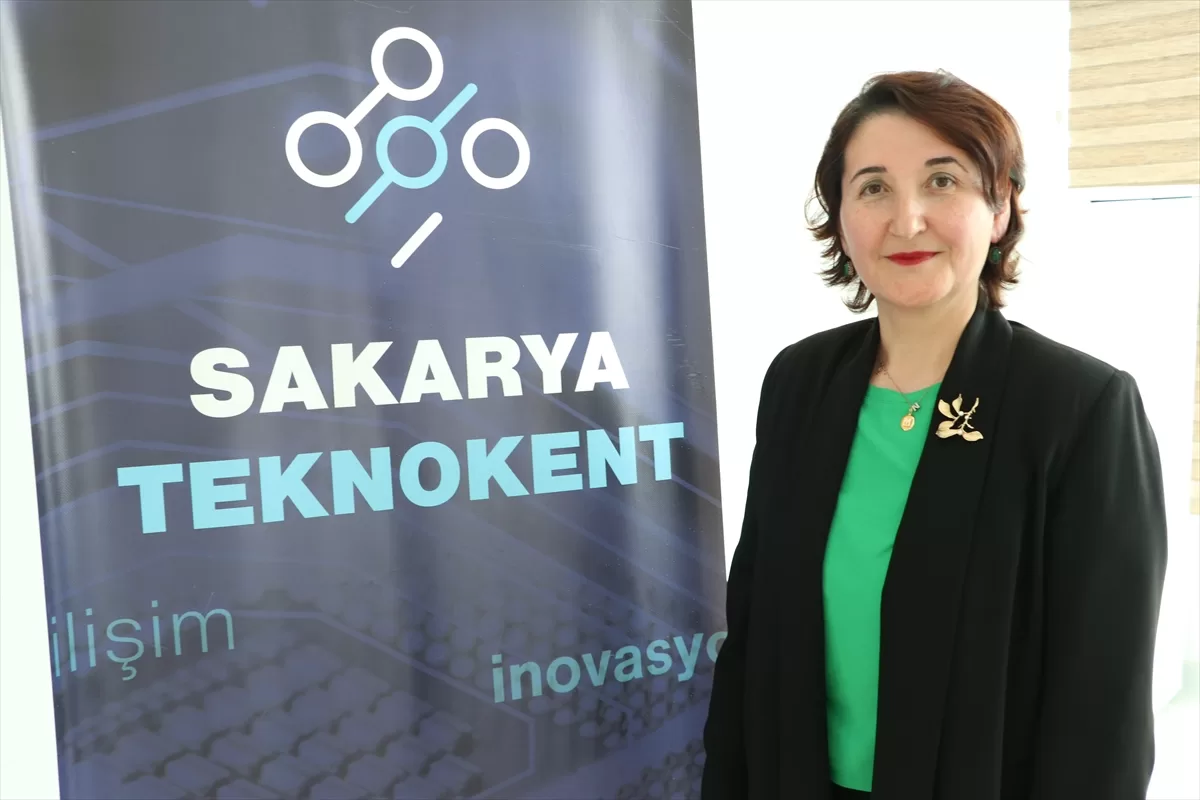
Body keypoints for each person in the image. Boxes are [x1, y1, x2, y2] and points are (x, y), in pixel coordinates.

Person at [700, 70, 1168, 800]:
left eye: (942, 181)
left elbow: (1101, 714)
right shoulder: (800, 382)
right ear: (841, 218)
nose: (907, 219)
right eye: (873, 188)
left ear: (1000, 207)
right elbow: (753, 634)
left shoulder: (1081, 407)